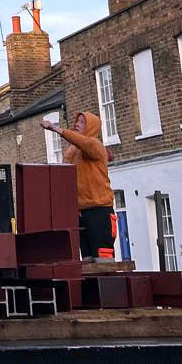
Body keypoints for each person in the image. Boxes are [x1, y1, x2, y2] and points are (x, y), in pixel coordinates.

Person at [41, 111, 114, 259]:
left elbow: (83, 143)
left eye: (82, 122)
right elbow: (67, 180)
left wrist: (55, 128)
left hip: (99, 210)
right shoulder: (72, 152)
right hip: (81, 212)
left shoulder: (95, 144)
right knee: (86, 258)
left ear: (91, 127)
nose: (77, 124)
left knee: (103, 257)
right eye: (77, 121)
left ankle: (106, 274)